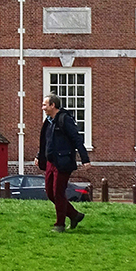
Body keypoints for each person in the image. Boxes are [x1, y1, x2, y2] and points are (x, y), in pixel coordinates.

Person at [37, 93, 90, 231]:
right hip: (51, 161)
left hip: (63, 161)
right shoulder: (47, 122)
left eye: (44, 104)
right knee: (50, 193)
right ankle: (74, 215)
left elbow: (76, 139)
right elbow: (45, 142)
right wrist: (39, 156)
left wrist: (85, 158)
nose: (42, 107)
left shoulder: (65, 119)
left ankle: (59, 224)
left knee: (58, 193)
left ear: (52, 105)